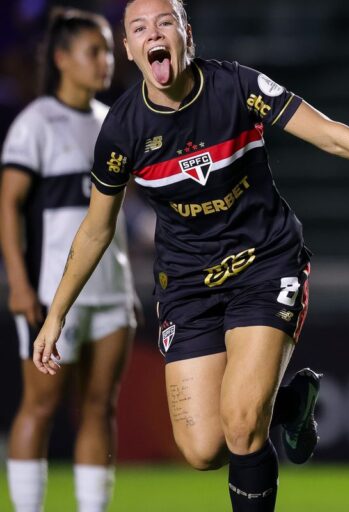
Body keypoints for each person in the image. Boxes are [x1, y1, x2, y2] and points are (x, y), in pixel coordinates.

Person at [30, 0, 349, 510]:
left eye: (166, 22)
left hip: (265, 266)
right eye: (140, 27)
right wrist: (56, 313)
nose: (154, 34)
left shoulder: (237, 86)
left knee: (241, 425)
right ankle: (290, 404)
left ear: (187, 34)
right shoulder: (122, 130)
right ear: (129, 48)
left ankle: (262, 417)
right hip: (187, 286)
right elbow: (96, 229)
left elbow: (330, 135)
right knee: (202, 449)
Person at [1, 9, 136, 512]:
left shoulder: (113, 121)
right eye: (93, 51)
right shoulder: (36, 123)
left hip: (112, 293)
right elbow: (8, 205)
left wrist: (128, 286)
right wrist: (18, 283)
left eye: (107, 51)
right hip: (51, 294)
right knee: (40, 406)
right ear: (61, 59)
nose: (106, 61)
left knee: (100, 408)